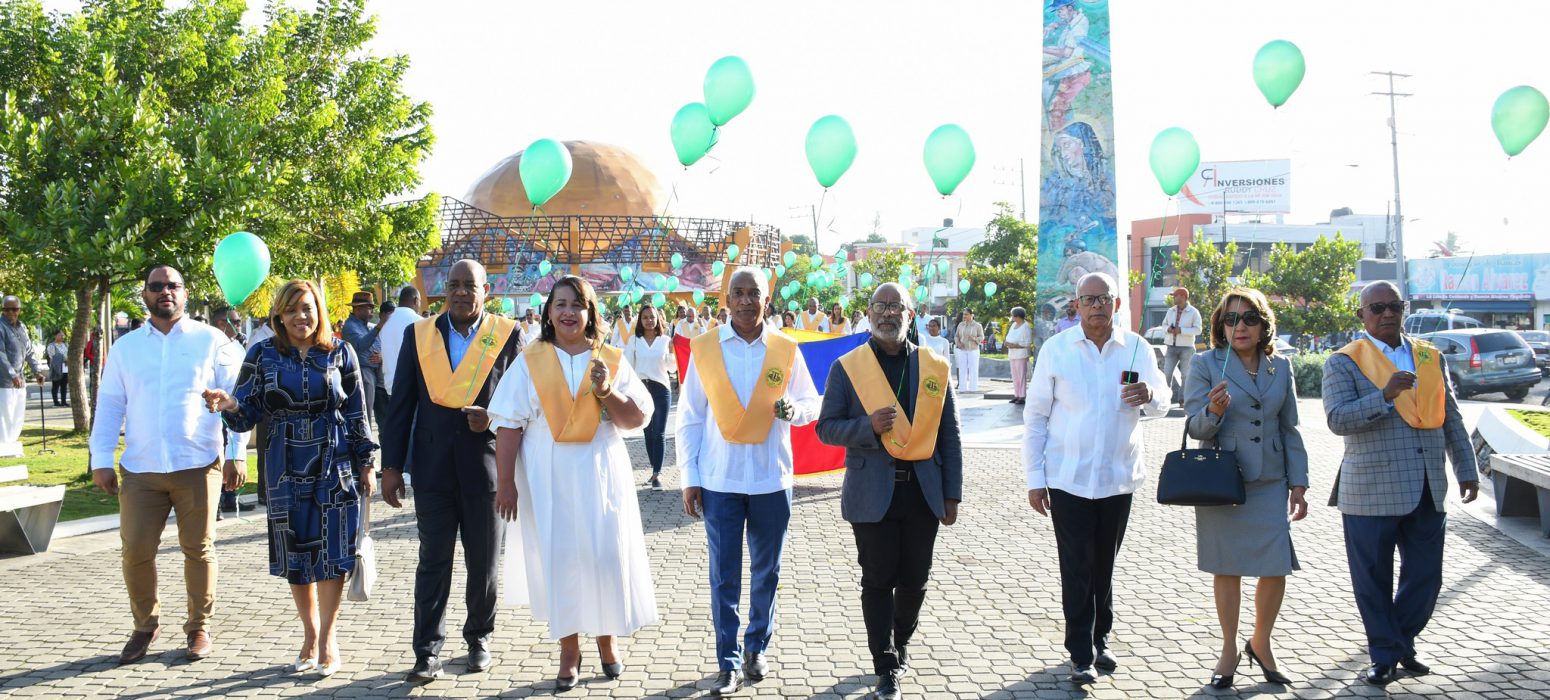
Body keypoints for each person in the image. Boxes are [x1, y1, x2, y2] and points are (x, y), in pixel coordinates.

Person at [489, 275, 657, 691]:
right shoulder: (531, 360)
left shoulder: (609, 358)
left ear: (590, 312)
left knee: (604, 554)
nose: (568, 312)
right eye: (560, 304)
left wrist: (607, 391)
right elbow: (508, 424)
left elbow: (636, 418)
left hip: (601, 472)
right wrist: (505, 482)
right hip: (548, 476)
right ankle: (569, 649)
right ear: (548, 311)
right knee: (561, 557)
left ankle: (607, 638)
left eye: (577, 305)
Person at [203, 280, 377, 677]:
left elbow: (357, 412)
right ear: (279, 315)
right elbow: (246, 412)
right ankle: (309, 635)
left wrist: (367, 462)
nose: (301, 316)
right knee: (296, 554)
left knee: (333, 553)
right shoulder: (262, 353)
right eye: (293, 309)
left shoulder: (340, 352)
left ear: (319, 312)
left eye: (308, 308)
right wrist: (229, 404)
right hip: (283, 463)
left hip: (334, 461)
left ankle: (328, 638)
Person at [87, 266, 247, 664]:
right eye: (156, 286)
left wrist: (237, 453)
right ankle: (145, 625)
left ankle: (198, 626)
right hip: (141, 468)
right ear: (144, 295)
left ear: (185, 293)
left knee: (199, 549)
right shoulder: (126, 348)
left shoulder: (212, 341)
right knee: (135, 551)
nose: (165, 292)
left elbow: (236, 399)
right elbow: (110, 405)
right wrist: (100, 459)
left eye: (173, 285)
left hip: (198, 463)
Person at [1322, 281, 1479, 686]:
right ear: (1361, 315)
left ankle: (1399, 642)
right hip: (1370, 491)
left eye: (1394, 305)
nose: (1387, 313)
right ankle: (1384, 653)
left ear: (1404, 308)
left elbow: (1451, 417)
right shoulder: (1344, 361)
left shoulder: (1429, 356)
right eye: (1377, 308)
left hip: (1428, 486)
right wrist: (1385, 396)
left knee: (1426, 578)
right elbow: (1337, 419)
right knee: (1372, 582)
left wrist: (1466, 468)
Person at [816, 283, 963, 700]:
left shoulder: (934, 366)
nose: (887, 313)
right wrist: (868, 427)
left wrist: (952, 493)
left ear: (910, 314)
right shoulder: (848, 367)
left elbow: (950, 435)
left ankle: (900, 641)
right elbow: (826, 428)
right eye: (879, 306)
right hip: (872, 495)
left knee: (915, 581)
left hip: (922, 494)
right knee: (878, 581)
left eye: (896, 306)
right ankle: (885, 666)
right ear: (868, 313)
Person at [678, 267, 821, 695]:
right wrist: (689, 477)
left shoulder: (784, 348)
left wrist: (795, 409)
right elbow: (690, 417)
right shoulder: (706, 349)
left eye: (753, 293)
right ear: (726, 300)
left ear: (766, 300)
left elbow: (812, 401)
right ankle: (727, 660)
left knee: (766, 572)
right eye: (737, 293)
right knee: (724, 576)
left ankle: (756, 647)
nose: (745, 300)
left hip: (770, 479)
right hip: (719, 480)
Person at [1023, 272, 1170, 686]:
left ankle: (1100, 638)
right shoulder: (1056, 350)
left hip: (1118, 478)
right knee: (1077, 566)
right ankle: (1080, 652)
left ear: (1117, 304)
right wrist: (1035, 478)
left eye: (1104, 298)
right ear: (1076, 305)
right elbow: (1035, 417)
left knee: (1104, 564)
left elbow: (1163, 401)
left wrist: (1150, 396)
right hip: (1067, 478)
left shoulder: (1137, 348)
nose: (1097, 306)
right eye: (1088, 299)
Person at [380, 259, 523, 683]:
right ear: (445, 288)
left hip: (485, 467)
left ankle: (479, 638)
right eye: (454, 284)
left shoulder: (507, 334)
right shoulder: (419, 335)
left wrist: (492, 419)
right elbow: (401, 404)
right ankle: (427, 651)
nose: (461, 292)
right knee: (433, 563)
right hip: (432, 470)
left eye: (470, 285)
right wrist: (392, 466)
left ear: (486, 290)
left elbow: (521, 402)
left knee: (484, 564)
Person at [1183, 288, 1309, 689]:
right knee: (1228, 566)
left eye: (1249, 318)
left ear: (1263, 325)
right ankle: (1228, 649)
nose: (1240, 327)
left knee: (1275, 567)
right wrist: (1214, 411)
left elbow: (1290, 427)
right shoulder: (1205, 363)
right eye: (1231, 319)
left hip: (1271, 480)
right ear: (1220, 326)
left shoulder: (1280, 366)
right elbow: (1195, 427)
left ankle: (1261, 642)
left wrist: (1299, 483)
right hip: (1223, 480)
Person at [209, 309, 256, 519]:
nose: (239, 325)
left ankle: (230, 497)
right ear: (221, 323)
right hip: (214, 412)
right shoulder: (209, 347)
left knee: (233, 450)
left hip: (237, 408)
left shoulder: (237, 347)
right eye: (236, 322)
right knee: (217, 455)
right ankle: (216, 502)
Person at [626, 304, 675, 490]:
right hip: (641, 390)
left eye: (652, 317)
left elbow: (672, 368)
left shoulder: (665, 340)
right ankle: (654, 468)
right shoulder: (634, 340)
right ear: (640, 320)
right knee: (647, 431)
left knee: (659, 433)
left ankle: (657, 474)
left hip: (661, 389)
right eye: (645, 317)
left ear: (658, 319)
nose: (649, 320)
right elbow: (629, 367)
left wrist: (671, 351)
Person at [0, 296, 43, 457]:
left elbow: (29, 351)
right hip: (4, 381)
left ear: (19, 310)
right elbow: (1, 354)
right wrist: (12, 375)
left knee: (17, 415)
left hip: (20, 380)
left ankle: (11, 446)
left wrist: (37, 371)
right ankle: (3, 448)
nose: (11, 312)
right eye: (7, 309)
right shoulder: (0, 327)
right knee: (5, 416)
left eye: (15, 309)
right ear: (3, 310)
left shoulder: (22, 327)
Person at [342, 291, 385, 428]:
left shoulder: (368, 326)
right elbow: (361, 345)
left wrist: (381, 356)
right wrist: (378, 327)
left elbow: (380, 345)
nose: (372, 310)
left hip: (377, 372)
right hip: (363, 371)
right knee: (365, 412)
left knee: (382, 413)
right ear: (358, 309)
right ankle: (364, 437)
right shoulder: (350, 326)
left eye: (372, 307)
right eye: (369, 307)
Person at [379, 286, 423, 399]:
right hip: (414, 387)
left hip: (390, 386)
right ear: (415, 300)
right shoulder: (420, 322)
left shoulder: (386, 322)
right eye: (420, 302)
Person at [1160, 288, 1202, 405]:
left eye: (1175, 296)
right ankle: (1165, 399)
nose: (1173, 298)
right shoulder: (1171, 311)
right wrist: (1168, 329)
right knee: (1167, 374)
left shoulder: (1194, 312)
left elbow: (1198, 330)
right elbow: (1163, 325)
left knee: (1185, 375)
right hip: (1171, 347)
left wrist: (1181, 330)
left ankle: (1183, 399)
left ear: (1183, 297)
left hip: (1187, 348)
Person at [1004, 308, 1034, 406]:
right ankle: (1016, 395)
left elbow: (1027, 343)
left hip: (1021, 354)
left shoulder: (1026, 327)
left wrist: (1014, 345)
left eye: (1013, 315)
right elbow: (1008, 337)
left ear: (1017, 316)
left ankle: (1022, 396)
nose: (1012, 317)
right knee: (1015, 376)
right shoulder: (1013, 325)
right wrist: (1007, 343)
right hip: (1012, 354)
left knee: (1021, 376)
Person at [953, 309, 984, 392]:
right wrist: (958, 343)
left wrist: (974, 339)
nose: (964, 316)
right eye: (964, 314)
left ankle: (973, 388)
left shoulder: (977, 325)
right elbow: (956, 336)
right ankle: (962, 388)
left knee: (973, 369)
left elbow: (981, 337)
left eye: (966, 314)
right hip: (962, 350)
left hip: (973, 350)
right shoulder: (961, 325)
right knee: (962, 369)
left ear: (971, 315)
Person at [47, 330, 69, 407]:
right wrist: (63, 358)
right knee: (56, 385)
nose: (62, 337)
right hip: (56, 367)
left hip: (65, 367)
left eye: (63, 335)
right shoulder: (51, 346)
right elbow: (52, 357)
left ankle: (64, 401)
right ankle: (56, 402)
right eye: (60, 335)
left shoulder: (65, 345)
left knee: (64, 385)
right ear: (55, 336)